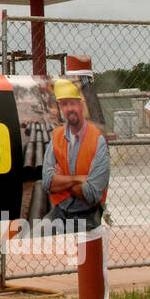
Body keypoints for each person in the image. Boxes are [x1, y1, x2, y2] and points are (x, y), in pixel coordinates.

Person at [38, 79, 110, 233]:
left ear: (81, 105)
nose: (69, 109)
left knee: (83, 253)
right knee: (29, 239)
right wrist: (78, 179)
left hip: (88, 216)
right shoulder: (57, 136)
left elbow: (91, 194)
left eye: (73, 103)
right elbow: (47, 182)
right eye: (64, 104)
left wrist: (62, 178)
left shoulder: (97, 140)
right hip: (60, 212)